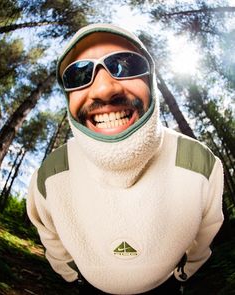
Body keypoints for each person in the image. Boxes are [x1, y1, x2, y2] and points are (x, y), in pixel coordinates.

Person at [26, 23, 224, 295]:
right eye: (79, 74)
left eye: (126, 65)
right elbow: (50, 236)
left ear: (151, 83)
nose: (104, 89)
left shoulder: (201, 163)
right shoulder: (49, 176)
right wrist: (74, 278)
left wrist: (182, 274)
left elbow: (206, 231)